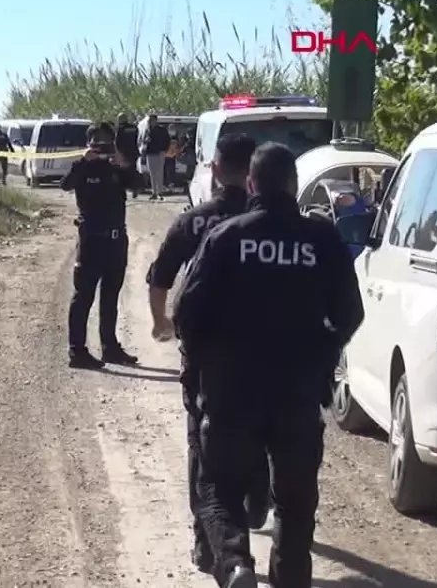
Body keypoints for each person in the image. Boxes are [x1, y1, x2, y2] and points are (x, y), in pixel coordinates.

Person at [174, 143, 365, 588]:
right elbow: (350, 313)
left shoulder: (226, 237)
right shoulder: (322, 240)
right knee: (296, 502)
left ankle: (237, 565)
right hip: (297, 392)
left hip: (231, 391)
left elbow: (187, 312)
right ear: (294, 187)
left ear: (252, 183)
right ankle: (290, 577)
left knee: (219, 491)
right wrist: (324, 350)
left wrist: (200, 366)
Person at [146, 133, 269, 576]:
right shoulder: (265, 221)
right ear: (253, 173)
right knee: (258, 424)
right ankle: (257, 491)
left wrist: (161, 324)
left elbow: (159, 278)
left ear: (215, 169)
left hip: (205, 352)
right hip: (263, 350)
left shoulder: (194, 221)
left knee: (202, 442)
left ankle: (207, 543)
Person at [60, 122, 144, 369]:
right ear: (88, 144)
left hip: (116, 241)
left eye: (106, 142)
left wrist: (123, 162)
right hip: (91, 242)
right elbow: (65, 184)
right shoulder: (83, 168)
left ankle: (110, 348)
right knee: (83, 297)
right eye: (96, 142)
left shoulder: (115, 167)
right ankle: (77, 351)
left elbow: (138, 184)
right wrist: (82, 162)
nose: (101, 147)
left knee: (111, 296)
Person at [142, 113, 172, 200]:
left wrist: (164, 150)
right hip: (150, 153)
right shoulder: (148, 130)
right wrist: (146, 142)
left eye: (152, 120)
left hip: (159, 153)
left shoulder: (161, 129)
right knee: (152, 173)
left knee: (159, 173)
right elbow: (143, 140)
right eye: (149, 120)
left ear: (156, 120)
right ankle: (154, 192)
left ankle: (160, 192)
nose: (150, 122)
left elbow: (167, 140)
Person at [115, 113, 142, 199]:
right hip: (134, 153)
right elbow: (138, 139)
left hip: (124, 153)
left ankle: (123, 191)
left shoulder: (120, 129)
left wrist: (118, 153)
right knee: (133, 171)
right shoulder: (134, 127)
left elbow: (117, 142)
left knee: (123, 172)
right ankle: (135, 188)